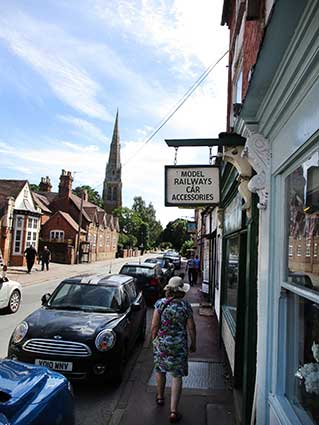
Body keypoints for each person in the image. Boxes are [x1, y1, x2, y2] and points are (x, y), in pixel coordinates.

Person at [151, 276, 197, 423]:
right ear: (181, 291)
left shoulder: (159, 304)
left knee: (160, 370)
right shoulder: (185, 306)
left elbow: (154, 326)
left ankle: (159, 397)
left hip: (162, 344)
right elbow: (191, 327)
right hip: (179, 346)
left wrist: (154, 340)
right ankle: (173, 411)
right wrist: (193, 342)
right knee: (177, 376)